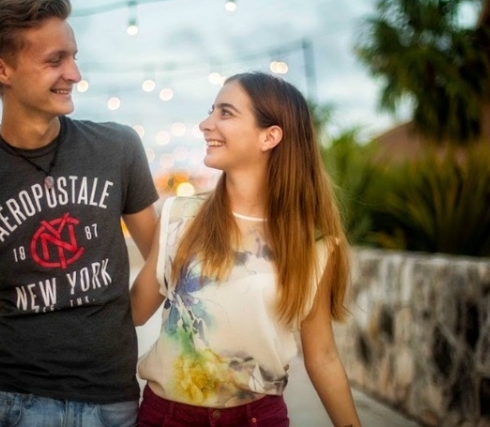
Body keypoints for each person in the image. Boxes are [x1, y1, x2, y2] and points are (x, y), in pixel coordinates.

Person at [0, 0, 158, 427]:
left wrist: (119, 318)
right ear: (2, 69)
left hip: (115, 403)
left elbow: (165, 255)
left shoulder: (118, 147)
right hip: (16, 404)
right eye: (55, 61)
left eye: (73, 57)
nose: (74, 73)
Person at [131, 71, 362, 426]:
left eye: (225, 112)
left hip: (259, 419)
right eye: (212, 111)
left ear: (270, 136)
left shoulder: (313, 245)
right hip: (167, 416)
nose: (205, 124)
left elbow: (324, 356)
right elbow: (133, 311)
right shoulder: (180, 216)